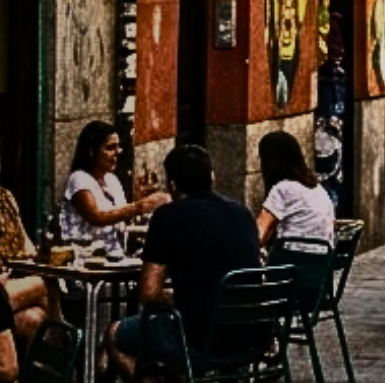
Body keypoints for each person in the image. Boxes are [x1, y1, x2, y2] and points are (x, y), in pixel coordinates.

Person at [104, 145, 261, 379]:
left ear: (173, 185)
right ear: (212, 177)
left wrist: (178, 297)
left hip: (201, 340)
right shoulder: (243, 213)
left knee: (114, 334)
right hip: (252, 335)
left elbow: (148, 293)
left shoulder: (167, 216)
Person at [61, 120, 166, 254]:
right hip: (86, 256)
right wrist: (138, 207)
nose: (118, 152)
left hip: (115, 254)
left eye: (118, 147)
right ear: (92, 152)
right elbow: (96, 216)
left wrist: (143, 199)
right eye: (110, 148)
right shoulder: (79, 179)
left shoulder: (112, 180)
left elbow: (121, 214)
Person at [0, 153, 58, 347]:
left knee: (34, 319)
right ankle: (65, 340)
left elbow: (28, 248)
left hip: (8, 285)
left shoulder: (5, 198)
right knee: (42, 284)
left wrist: (43, 254)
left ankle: (52, 357)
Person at [255, 131, 335, 250]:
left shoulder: (282, 189)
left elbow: (259, 232)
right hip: (322, 257)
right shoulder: (317, 188)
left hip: (291, 257)